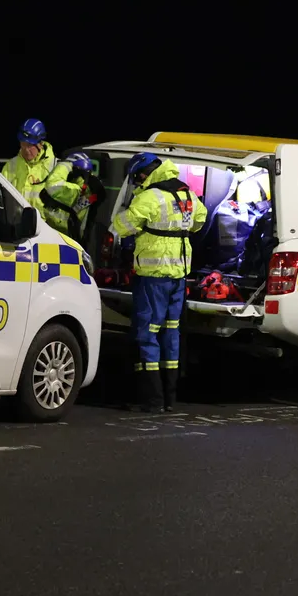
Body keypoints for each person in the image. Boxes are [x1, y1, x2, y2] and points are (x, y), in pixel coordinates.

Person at [110, 151, 207, 413]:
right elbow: (200, 221)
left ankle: (150, 399)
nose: (138, 180)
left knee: (147, 333)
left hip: (153, 277)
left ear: (145, 172)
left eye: (138, 176)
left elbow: (120, 226)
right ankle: (169, 399)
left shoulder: (149, 197)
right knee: (171, 333)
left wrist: (126, 219)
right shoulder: (187, 194)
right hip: (179, 275)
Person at [39, 151, 105, 243]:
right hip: (64, 237)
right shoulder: (86, 191)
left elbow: (52, 185)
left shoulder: (76, 190)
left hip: (60, 238)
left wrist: (65, 165)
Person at [2, 118, 56, 210]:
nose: (26, 150)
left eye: (30, 146)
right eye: (23, 144)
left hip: (43, 223)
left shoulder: (54, 166)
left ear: (40, 144)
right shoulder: (10, 165)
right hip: (15, 222)